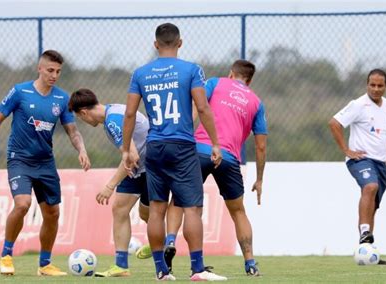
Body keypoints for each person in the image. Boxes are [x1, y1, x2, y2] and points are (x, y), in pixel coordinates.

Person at [121, 23, 227, 281]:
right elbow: (202, 108)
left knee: (156, 208)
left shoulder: (141, 73)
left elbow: (130, 113)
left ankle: (161, 271)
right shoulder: (191, 70)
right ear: (180, 43)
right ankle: (197, 269)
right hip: (182, 145)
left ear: (155, 44)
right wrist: (214, 143)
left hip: (155, 146)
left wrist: (126, 149)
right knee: (191, 208)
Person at [0, 50, 91, 276]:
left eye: (58, 71)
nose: (54, 75)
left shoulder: (61, 98)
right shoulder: (20, 92)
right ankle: (6, 255)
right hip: (19, 159)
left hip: (45, 162)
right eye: (50, 70)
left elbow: (72, 130)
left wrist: (81, 149)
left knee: (52, 213)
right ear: (39, 68)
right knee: (22, 204)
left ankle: (44, 264)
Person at [166, 60, 267, 276]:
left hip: (200, 150)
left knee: (180, 199)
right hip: (229, 159)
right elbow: (260, 146)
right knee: (238, 211)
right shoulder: (257, 103)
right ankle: (250, 264)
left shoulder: (215, 83)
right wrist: (259, 179)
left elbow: (196, 107)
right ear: (249, 80)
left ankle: (170, 241)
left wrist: (182, 133)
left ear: (231, 74)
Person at [68, 88, 152, 277]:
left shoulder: (113, 121)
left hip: (152, 167)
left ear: (84, 112)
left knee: (147, 215)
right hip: (138, 168)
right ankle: (121, 266)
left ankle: (161, 246)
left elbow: (132, 156)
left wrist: (109, 186)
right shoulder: (114, 110)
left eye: (81, 119)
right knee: (120, 209)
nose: (85, 122)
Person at [329, 68, 386, 265]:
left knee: (373, 207)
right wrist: (346, 149)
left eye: (380, 85)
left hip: (380, 163)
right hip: (359, 159)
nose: (376, 89)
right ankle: (364, 232)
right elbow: (334, 123)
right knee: (370, 187)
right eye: (372, 85)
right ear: (367, 85)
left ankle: (368, 251)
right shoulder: (358, 105)